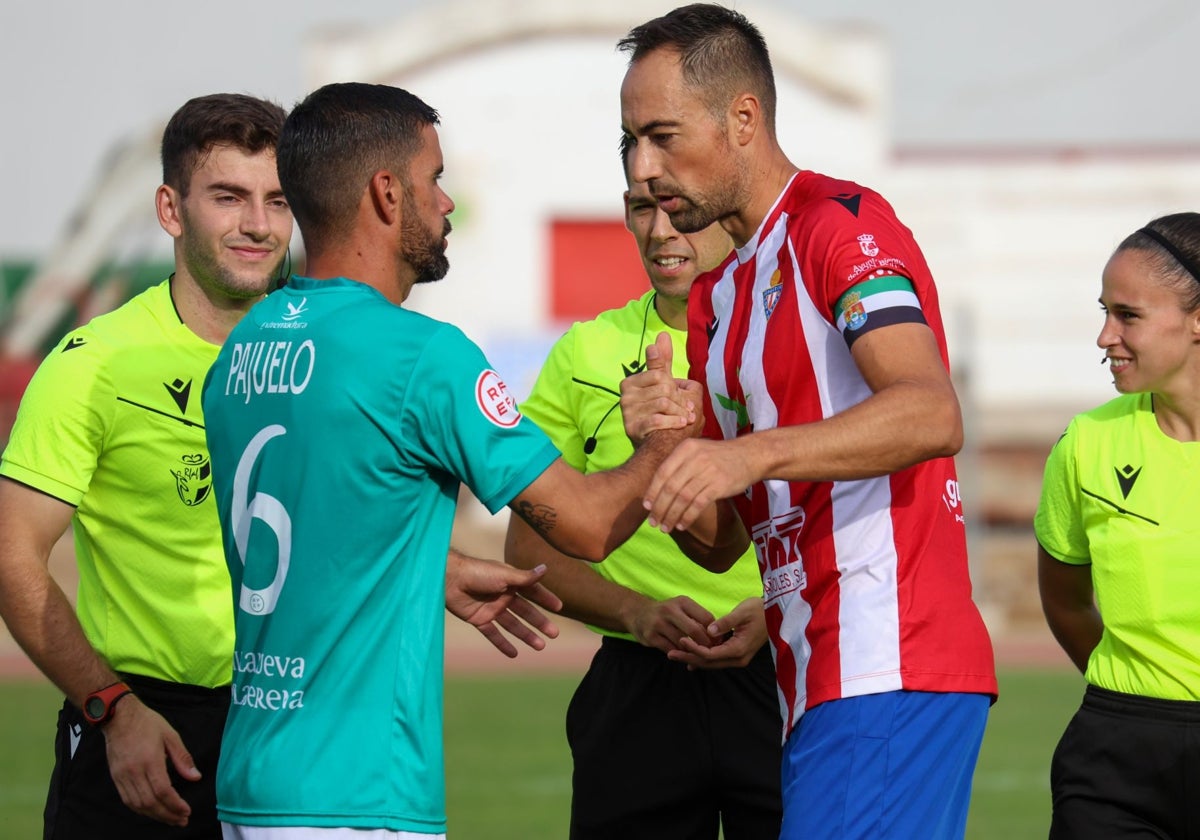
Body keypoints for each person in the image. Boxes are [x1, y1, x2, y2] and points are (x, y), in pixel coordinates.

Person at [0, 93, 560, 840]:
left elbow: (307, 509)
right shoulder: (96, 363)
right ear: (171, 209)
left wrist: (431, 563)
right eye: (228, 198)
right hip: (140, 730)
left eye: (275, 200)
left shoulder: (328, 349)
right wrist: (113, 709)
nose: (258, 226)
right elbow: (12, 555)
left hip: (282, 733)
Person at [199, 81, 697, 840]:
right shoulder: (422, 357)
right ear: (387, 193)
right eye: (435, 179)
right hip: (356, 794)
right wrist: (664, 439)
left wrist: (428, 566)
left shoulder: (248, 341)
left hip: (253, 776)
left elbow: (310, 516)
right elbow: (590, 527)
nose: (448, 203)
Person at [616, 5, 998, 838]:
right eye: (630, 142)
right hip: (812, 672)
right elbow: (718, 539)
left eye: (663, 136)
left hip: (890, 660)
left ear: (743, 118)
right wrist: (670, 449)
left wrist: (745, 455)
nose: (644, 169)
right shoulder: (718, 299)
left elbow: (932, 410)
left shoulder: (841, 226)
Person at [504, 156, 782, 838]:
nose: (660, 232)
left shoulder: (787, 338)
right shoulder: (584, 352)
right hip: (637, 688)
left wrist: (774, 612)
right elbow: (528, 549)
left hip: (781, 672)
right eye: (639, 208)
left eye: (677, 207)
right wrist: (635, 612)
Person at [1035, 212, 1200, 839]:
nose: (1105, 335)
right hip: (1115, 755)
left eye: (1127, 315)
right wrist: (1133, 703)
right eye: (1105, 312)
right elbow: (1066, 601)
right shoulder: (1086, 443)